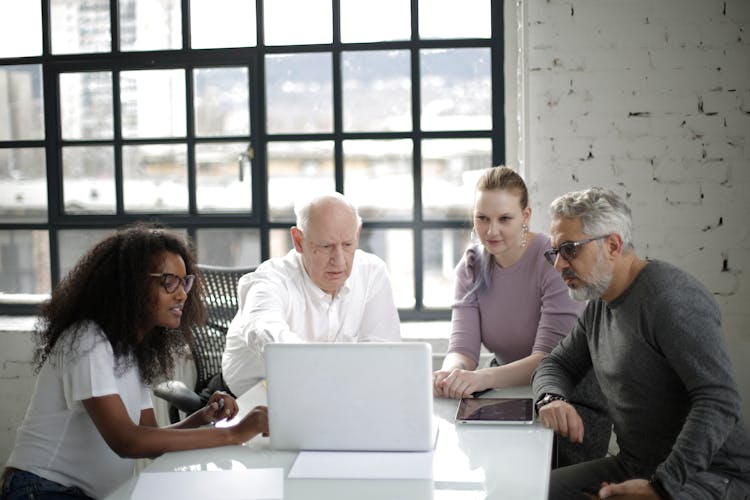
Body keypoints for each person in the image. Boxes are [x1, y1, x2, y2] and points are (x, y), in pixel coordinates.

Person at [1, 224, 269, 500]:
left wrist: (202, 418)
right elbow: (127, 441)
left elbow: (149, 439)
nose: (182, 294)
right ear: (131, 284)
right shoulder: (87, 340)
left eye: (184, 282)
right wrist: (234, 434)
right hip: (40, 488)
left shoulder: (129, 350)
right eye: (169, 282)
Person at [533, 187, 750, 499]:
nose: (558, 265)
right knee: (531, 490)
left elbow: (719, 400)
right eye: (555, 252)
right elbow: (557, 363)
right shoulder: (600, 302)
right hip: (636, 465)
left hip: (710, 476)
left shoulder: (671, 299)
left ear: (612, 245)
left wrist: (661, 486)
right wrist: (551, 398)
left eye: (569, 249)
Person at [432, 166, 611, 466]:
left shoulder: (552, 260)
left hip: (567, 397)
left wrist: (476, 379)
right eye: (482, 218)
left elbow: (548, 360)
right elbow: (463, 349)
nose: (491, 231)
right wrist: (452, 374)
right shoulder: (472, 264)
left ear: (525, 216)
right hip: (506, 392)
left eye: (504, 219)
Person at [222, 192, 401, 397]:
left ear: (357, 234)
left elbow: (382, 354)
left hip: (329, 398)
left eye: (348, 245)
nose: (339, 261)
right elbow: (266, 333)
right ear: (298, 241)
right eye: (326, 247)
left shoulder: (372, 272)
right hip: (246, 403)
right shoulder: (270, 280)